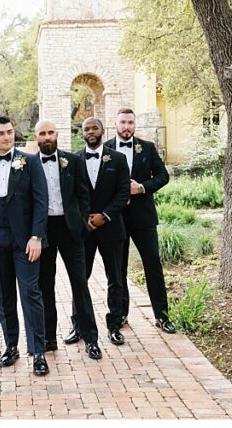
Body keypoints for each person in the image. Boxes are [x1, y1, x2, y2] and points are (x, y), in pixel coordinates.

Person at [0, 116, 49, 376]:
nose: (7, 137)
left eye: (10, 132)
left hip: (26, 241)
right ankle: (11, 346)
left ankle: (38, 352)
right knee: (3, 296)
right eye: (1, 133)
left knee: (30, 293)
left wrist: (37, 236)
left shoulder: (31, 161)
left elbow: (41, 201)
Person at [33, 120, 102, 360]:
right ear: (36, 138)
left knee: (79, 284)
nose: (47, 137)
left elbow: (83, 194)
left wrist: (82, 222)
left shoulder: (72, 161)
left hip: (70, 228)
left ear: (57, 135)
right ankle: (48, 338)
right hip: (43, 231)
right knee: (44, 286)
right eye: (42, 133)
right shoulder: (29, 164)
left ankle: (90, 338)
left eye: (51, 132)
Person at [105, 108, 175, 333]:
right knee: (118, 269)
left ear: (134, 125)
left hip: (143, 218)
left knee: (153, 264)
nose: (127, 127)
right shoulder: (105, 149)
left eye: (130, 123)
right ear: (115, 124)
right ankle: (121, 315)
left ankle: (162, 316)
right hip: (116, 220)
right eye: (123, 122)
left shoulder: (147, 148)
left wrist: (142, 187)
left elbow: (163, 176)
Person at [71, 116, 129, 346]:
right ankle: (78, 325)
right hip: (83, 230)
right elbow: (71, 194)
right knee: (79, 278)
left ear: (102, 130)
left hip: (112, 228)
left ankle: (115, 325)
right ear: (82, 132)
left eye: (95, 127)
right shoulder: (73, 159)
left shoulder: (118, 158)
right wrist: (84, 218)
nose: (91, 131)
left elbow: (123, 192)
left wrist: (104, 216)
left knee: (115, 277)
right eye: (87, 128)